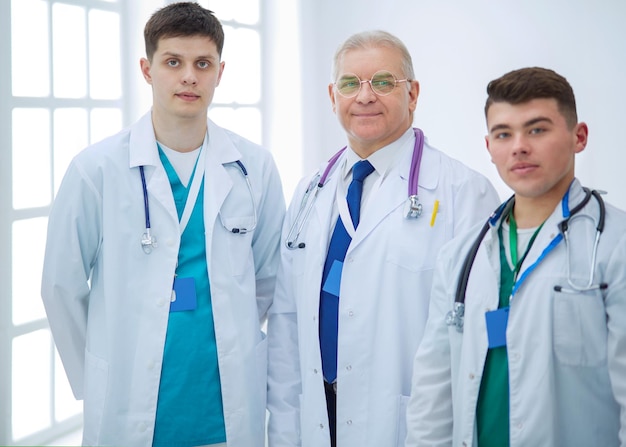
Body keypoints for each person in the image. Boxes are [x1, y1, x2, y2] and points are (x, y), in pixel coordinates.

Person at [40, 3, 285, 446]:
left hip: (225, 404)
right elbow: (61, 285)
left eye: (202, 63)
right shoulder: (96, 169)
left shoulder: (254, 168)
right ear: (147, 69)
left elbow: (268, 278)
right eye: (173, 62)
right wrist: (98, 374)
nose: (189, 76)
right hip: (128, 400)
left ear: (220, 72)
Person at [266, 30, 500, 447]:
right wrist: (284, 427)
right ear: (332, 96)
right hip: (317, 419)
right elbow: (286, 322)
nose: (365, 96)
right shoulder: (309, 191)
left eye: (384, 82)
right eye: (350, 83)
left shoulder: (463, 192)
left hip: (408, 423)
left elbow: (479, 336)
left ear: (413, 94)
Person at [405, 67, 626, 447]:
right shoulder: (461, 257)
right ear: (489, 147)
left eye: (537, 129)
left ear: (579, 137)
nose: (519, 146)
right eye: (504, 133)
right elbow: (433, 394)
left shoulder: (614, 246)